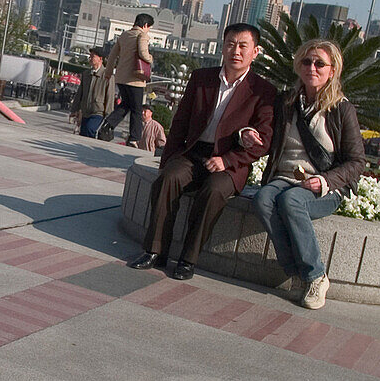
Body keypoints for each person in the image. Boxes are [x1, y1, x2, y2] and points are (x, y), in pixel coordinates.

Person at [128, 23, 275, 279]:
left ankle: (188, 259)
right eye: (230, 44)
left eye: (243, 46)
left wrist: (228, 159)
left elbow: (264, 142)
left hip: (231, 163)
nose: (235, 51)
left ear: (255, 51)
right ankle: (155, 251)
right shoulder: (202, 78)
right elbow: (180, 123)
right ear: (223, 46)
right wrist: (169, 160)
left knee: (214, 191)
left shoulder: (263, 92)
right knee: (167, 179)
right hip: (195, 152)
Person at [246, 38, 366, 309]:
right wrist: (251, 137)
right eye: (306, 61)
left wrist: (324, 180)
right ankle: (296, 273)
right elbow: (270, 141)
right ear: (298, 65)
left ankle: (315, 276)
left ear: (332, 70)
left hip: (325, 186)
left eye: (320, 63)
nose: (312, 67)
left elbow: (357, 162)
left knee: (291, 201)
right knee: (263, 200)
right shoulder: (286, 102)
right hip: (284, 177)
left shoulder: (342, 110)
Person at [103, 13, 154, 147]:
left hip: (121, 77)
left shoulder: (124, 35)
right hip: (135, 79)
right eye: (149, 28)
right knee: (137, 109)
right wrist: (150, 58)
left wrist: (108, 72)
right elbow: (143, 53)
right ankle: (134, 138)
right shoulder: (142, 35)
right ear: (145, 25)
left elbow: (112, 56)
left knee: (126, 104)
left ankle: (109, 124)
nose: (148, 30)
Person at [70, 48, 115, 138]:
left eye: (93, 56)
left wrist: (109, 115)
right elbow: (80, 94)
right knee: (83, 134)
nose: (90, 59)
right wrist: (74, 110)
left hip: (98, 112)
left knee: (90, 129)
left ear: (100, 59)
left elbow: (110, 96)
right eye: (90, 56)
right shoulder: (86, 74)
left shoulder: (107, 76)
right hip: (85, 111)